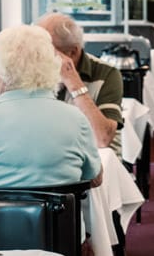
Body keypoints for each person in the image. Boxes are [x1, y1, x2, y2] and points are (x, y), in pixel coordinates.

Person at [0, 24, 103, 189]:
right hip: (59, 214)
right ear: (52, 68)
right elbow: (94, 178)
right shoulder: (76, 119)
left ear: (0, 75)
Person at [36, 11, 125, 156]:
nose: (39, 58)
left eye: (47, 52)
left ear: (72, 52)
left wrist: (73, 82)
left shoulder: (107, 74)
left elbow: (102, 139)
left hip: (98, 161)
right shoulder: (35, 69)